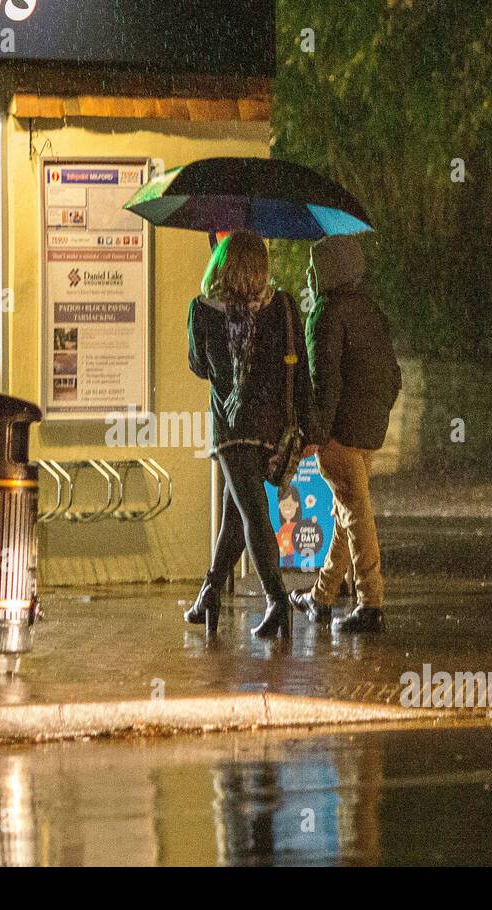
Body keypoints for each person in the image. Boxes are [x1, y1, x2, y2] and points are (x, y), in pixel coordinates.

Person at [185, 230, 319, 638]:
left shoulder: (202, 310)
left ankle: (277, 601)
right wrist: (310, 426)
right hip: (273, 426)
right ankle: (209, 592)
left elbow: (198, 367)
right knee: (237, 513)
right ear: (260, 267)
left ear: (220, 265)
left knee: (253, 513)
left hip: (231, 431)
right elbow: (300, 371)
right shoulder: (282, 307)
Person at [290, 234, 401, 634]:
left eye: (314, 265)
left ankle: (370, 603)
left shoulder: (324, 313)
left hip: (338, 433)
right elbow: (393, 375)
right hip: (370, 430)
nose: (308, 273)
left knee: (355, 512)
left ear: (330, 269)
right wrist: (377, 415)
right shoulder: (371, 311)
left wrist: (314, 433)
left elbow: (325, 383)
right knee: (344, 511)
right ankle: (321, 597)